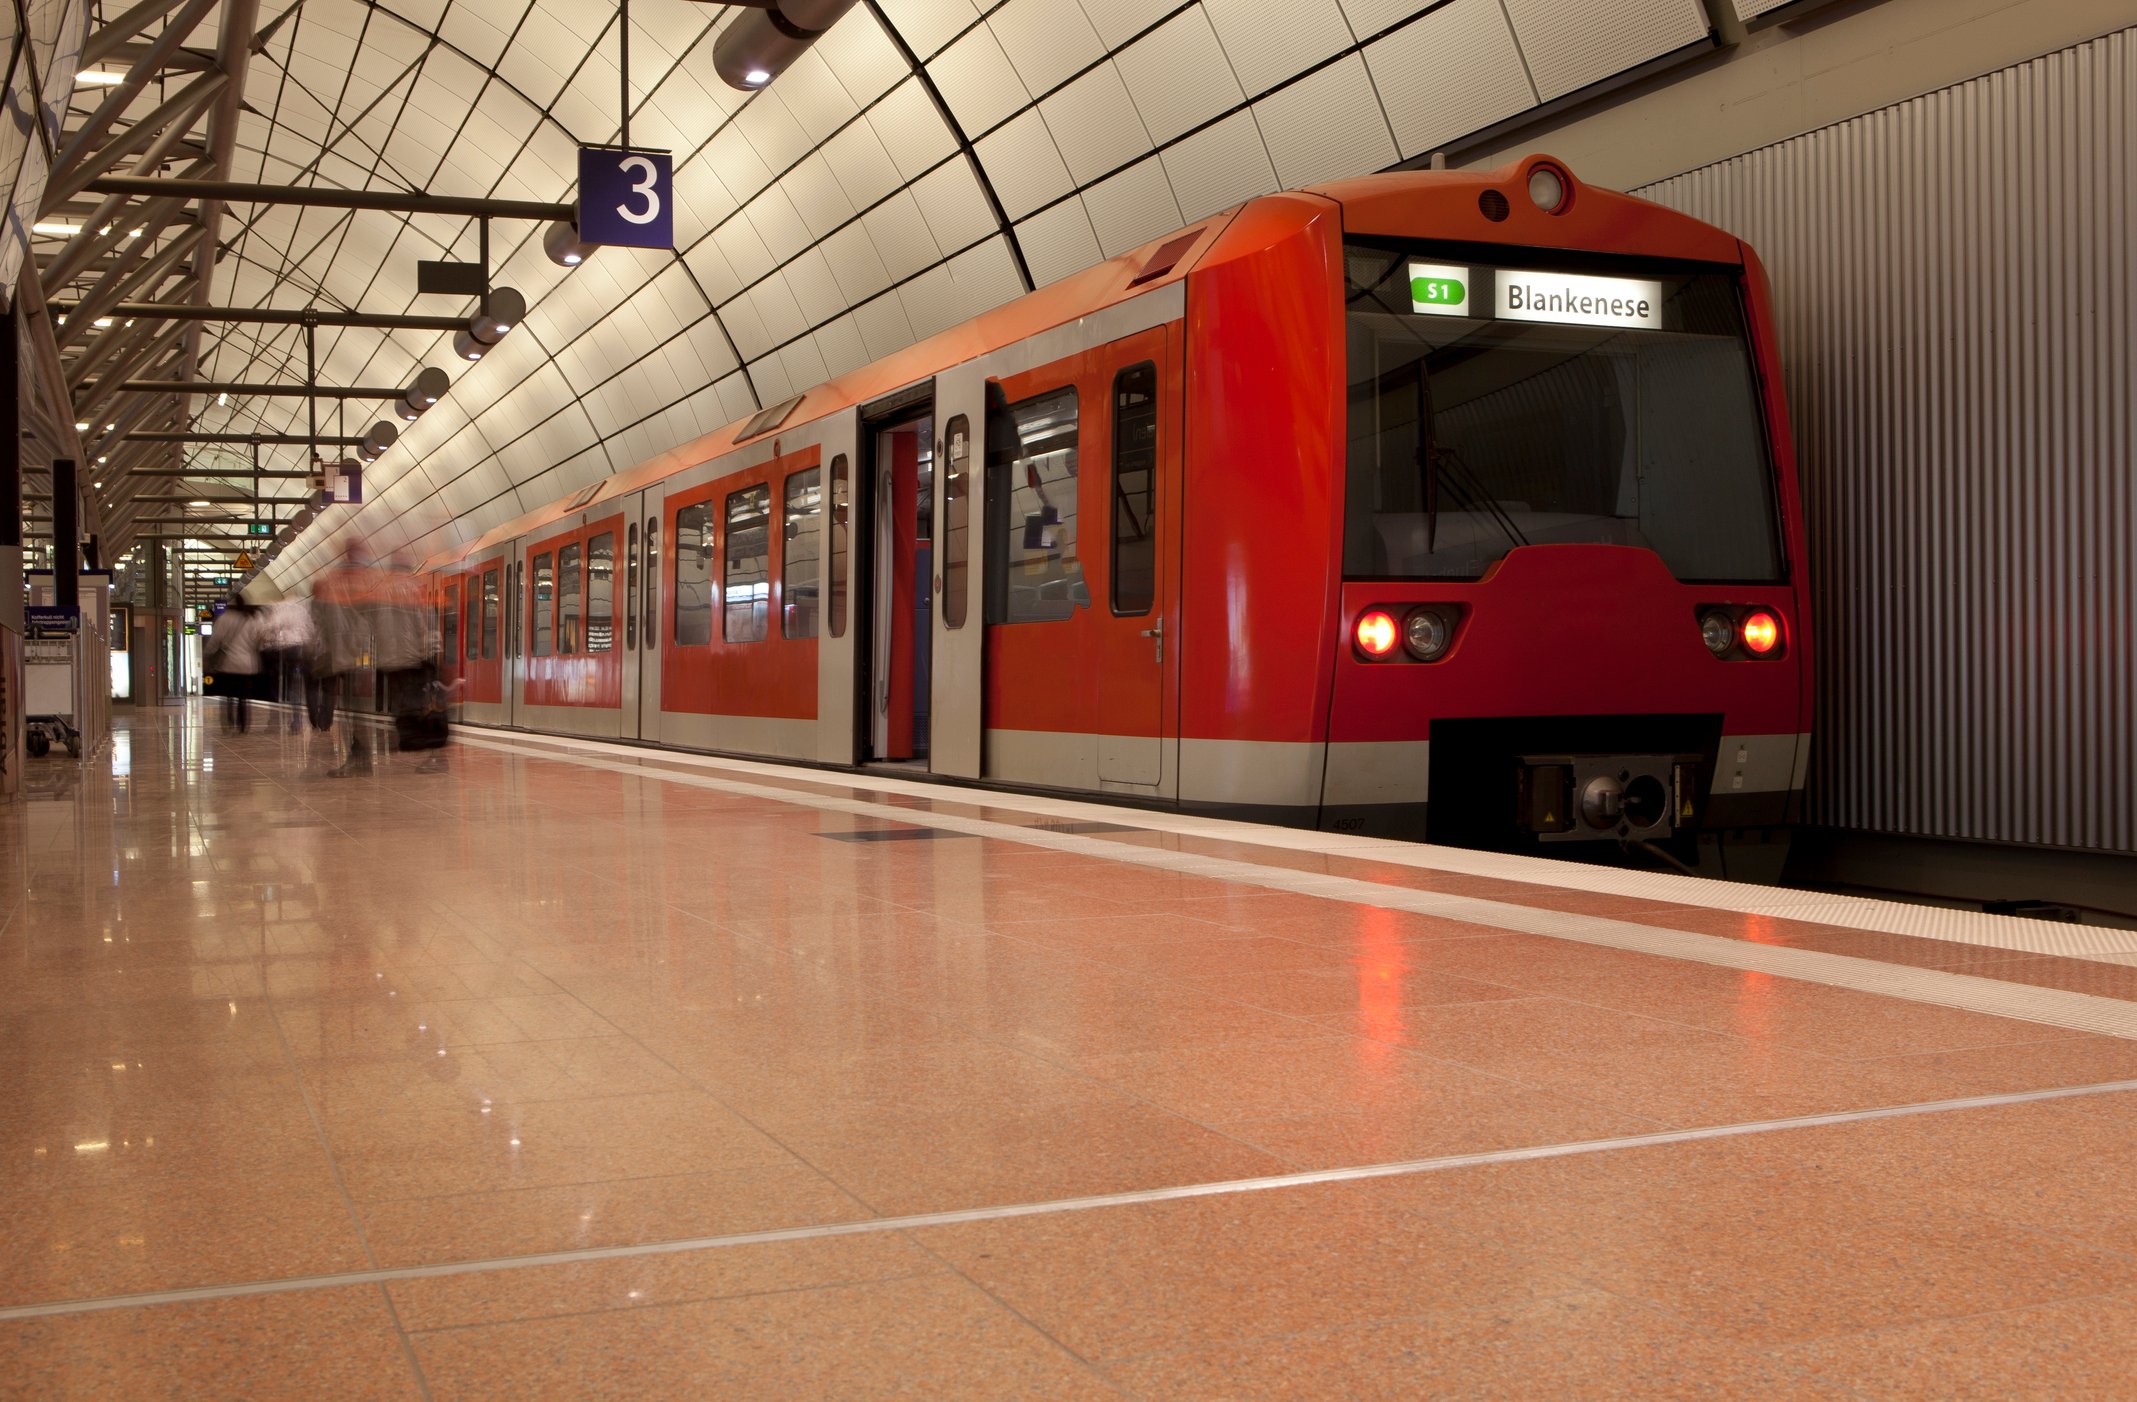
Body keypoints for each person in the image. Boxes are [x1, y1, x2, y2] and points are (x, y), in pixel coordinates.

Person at [211, 598, 263, 733]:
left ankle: (229, 720)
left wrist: (208, 654)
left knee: (228, 695)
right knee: (243, 697)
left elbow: (215, 640)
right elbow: (259, 641)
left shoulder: (224, 618)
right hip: (246, 665)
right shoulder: (251, 620)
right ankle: (243, 725)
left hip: (228, 664)